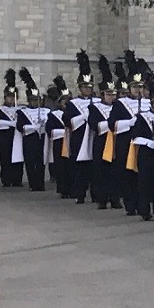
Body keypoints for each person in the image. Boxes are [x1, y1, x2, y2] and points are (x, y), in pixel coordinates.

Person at [109, 52, 148, 216]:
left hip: (144, 142)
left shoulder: (149, 103)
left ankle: (143, 203)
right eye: (134, 87)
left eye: (140, 87)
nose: (138, 90)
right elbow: (112, 124)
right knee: (128, 174)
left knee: (144, 175)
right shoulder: (120, 104)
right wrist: (128, 123)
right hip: (126, 141)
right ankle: (130, 204)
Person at [131, 79, 154, 222]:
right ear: (152, 103)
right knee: (145, 183)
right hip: (146, 154)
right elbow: (134, 137)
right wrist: (148, 142)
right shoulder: (142, 117)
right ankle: (145, 211)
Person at [63, 51, 98, 204]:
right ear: (80, 88)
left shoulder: (97, 102)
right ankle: (80, 194)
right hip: (79, 137)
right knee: (80, 167)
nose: (87, 90)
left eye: (89, 87)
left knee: (95, 167)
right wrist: (83, 117)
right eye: (84, 87)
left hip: (95, 136)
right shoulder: (73, 104)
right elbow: (67, 122)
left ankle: (96, 194)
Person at [87, 56, 121, 210]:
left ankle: (115, 198)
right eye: (108, 94)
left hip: (116, 141)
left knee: (115, 172)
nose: (112, 97)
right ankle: (102, 199)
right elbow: (94, 125)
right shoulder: (95, 108)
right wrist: (112, 124)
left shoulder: (119, 107)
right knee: (101, 172)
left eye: (114, 94)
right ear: (103, 95)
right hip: (101, 142)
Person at [15, 69, 49, 192]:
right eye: (34, 100)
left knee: (41, 162)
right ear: (29, 101)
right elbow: (20, 127)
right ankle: (32, 183)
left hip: (42, 139)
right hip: (30, 139)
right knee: (30, 162)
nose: (36, 102)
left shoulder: (45, 111)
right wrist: (33, 127)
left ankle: (40, 183)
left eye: (38, 100)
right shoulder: (23, 112)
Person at [0, 69, 24, 188]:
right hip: (4, 138)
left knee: (18, 159)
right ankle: (6, 179)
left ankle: (17, 180)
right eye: (9, 97)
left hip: (17, 138)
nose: (12, 99)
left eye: (14, 97)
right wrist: (11, 124)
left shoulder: (21, 110)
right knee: (5, 159)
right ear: (5, 97)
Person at [45, 76, 73, 198]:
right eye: (64, 101)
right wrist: (65, 132)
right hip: (60, 142)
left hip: (71, 142)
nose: (66, 103)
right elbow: (50, 131)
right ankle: (63, 189)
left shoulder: (74, 113)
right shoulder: (53, 115)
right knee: (61, 167)